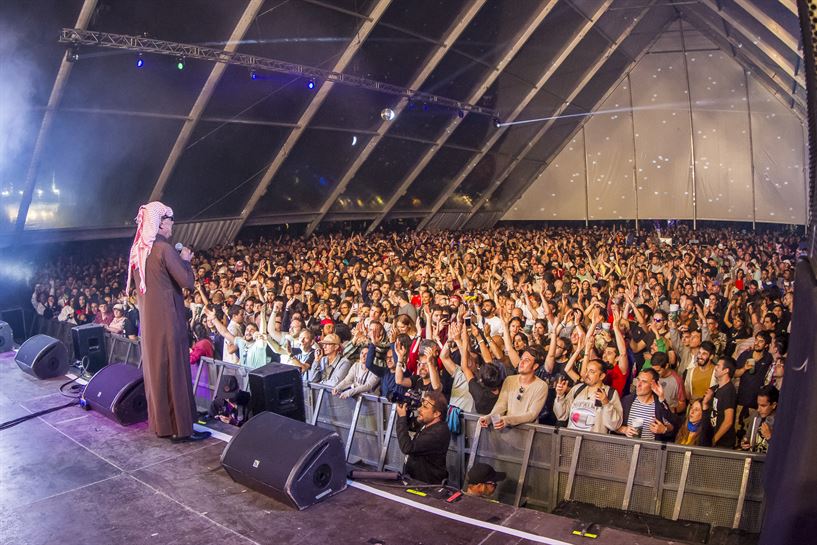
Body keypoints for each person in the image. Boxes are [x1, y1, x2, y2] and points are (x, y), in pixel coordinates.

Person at [127, 202, 209, 443]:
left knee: (157, 372)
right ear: (161, 223)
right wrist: (185, 260)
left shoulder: (139, 251)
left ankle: (162, 425)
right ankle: (181, 429)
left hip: (150, 324)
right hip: (168, 320)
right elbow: (186, 281)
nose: (173, 225)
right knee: (175, 371)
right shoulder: (164, 249)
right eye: (171, 221)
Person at [479, 345, 548, 429]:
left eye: (526, 360)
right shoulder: (509, 380)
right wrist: (489, 418)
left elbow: (532, 415)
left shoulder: (541, 386)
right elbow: (500, 406)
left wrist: (508, 420)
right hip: (508, 431)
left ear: (535, 366)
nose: (521, 363)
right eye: (521, 359)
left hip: (527, 432)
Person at [553, 359, 623, 434]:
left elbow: (614, 425)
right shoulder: (577, 389)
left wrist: (606, 403)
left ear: (602, 376)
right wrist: (560, 396)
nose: (586, 374)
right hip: (572, 440)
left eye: (592, 372)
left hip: (594, 443)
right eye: (586, 370)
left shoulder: (610, 393)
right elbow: (561, 416)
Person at [395, 390, 451, 484]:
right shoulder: (428, 422)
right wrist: (407, 409)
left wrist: (402, 417)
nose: (419, 409)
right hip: (416, 480)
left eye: (425, 407)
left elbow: (407, 447)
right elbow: (409, 425)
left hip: (427, 485)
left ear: (436, 413)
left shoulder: (438, 433)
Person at [617, 369, 677, 442]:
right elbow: (613, 425)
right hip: (627, 448)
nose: (638, 385)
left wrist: (664, 430)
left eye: (644, 382)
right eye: (638, 380)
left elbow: (673, 426)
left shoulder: (659, 404)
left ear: (653, 385)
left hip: (649, 451)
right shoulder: (627, 401)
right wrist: (624, 430)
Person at [703, 357, 737, 449]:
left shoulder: (729, 390)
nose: (715, 368)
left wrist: (714, 439)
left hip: (723, 443)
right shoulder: (716, 389)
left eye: (718, 366)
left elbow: (728, 421)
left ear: (726, 370)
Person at [740, 384, 778, 453]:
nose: (758, 409)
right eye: (758, 405)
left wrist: (769, 437)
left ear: (774, 405)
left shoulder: (781, 421)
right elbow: (747, 437)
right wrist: (744, 443)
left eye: (763, 406)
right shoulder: (756, 416)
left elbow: (782, 450)